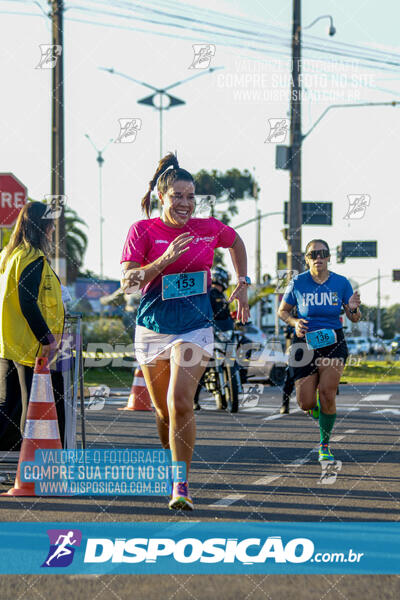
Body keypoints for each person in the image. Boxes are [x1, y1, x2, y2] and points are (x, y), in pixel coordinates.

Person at [121, 152, 250, 510]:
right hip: (153, 328)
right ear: (161, 197)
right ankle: (173, 455)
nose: (185, 203)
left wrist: (243, 283)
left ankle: (181, 485)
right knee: (164, 413)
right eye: (178, 196)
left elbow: (236, 242)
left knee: (180, 401)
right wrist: (163, 261)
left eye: (191, 196)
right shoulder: (142, 231)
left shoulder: (207, 228)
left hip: (195, 327)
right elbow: (129, 282)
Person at [277, 239, 361, 462]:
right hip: (305, 342)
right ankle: (320, 413)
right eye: (314, 254)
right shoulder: (297, 282)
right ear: (307, 259)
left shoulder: (342, 283)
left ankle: (325, 444)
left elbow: (354, 317)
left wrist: (353, 309)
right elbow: (282, 311)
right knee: (305, 402)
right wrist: (294, 322)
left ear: (329, 257)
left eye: (323, 253)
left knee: (327, 392)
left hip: (333, 341)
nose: (319, 258)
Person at [0, 202, 65, 449]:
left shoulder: (10, 255)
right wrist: (47, 338)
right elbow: (27, 302)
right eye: (50, 226)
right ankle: (31, 468)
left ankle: (20, 465)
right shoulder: (32, 257)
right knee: (28, 408)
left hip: (10, 342)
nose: (52, 231)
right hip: (29, 345)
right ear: (43, 227)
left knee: (8, 407)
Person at [193, 266, 234, 410]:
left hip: (222, 335)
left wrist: (236, 320)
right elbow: (202, 312)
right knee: (202, 366)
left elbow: (225, 316)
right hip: (208, 335)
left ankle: (236, 385)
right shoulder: (210, 293)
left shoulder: (222, 296)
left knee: (239, 355)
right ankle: (194, 400)